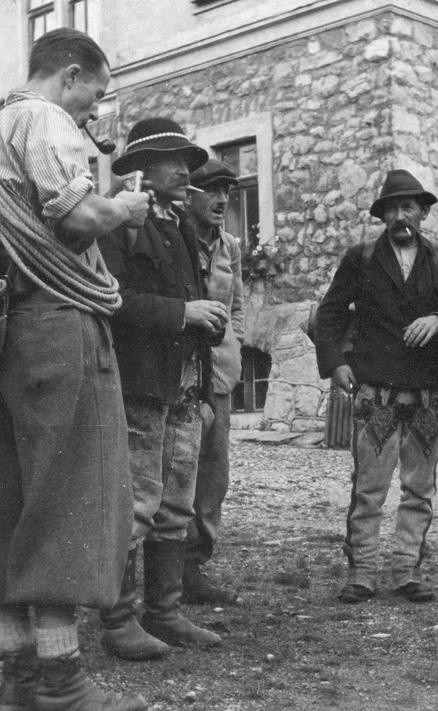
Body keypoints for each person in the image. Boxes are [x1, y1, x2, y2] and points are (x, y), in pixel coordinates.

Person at [0, 29, 152, 711]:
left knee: (14, 497)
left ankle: (16, 677)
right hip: (58, 321)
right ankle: (61, 679)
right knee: (72, 493)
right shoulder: (45, 121)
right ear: (71, 75)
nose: (97, 113)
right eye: (97, 95)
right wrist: (124, 208)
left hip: (4, 329)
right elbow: (78, 219)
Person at [315, 170, 438, 604]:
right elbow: (329, 314)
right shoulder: (362, 258)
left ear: (424, 212)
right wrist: (335, 364)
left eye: (409, 207)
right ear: (383, 215)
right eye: (393, 208)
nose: (401, 216)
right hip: (377, 393)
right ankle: (362, 572)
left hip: (429, 394)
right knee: (368, 488)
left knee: (419, 487)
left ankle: (407, 569)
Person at [97, 118, 228, 660]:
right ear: (141, 169)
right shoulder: (115, 220)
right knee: (136, 502)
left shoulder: (177, 223)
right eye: (174, 159)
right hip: (139, 385)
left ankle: (166, 613)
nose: (186, 170)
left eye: (187, 159)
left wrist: (205, 338)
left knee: (176, 501)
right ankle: (120, 622)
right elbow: (109, 299)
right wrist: (184, 312)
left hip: (182, 385)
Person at [183, 160, 245, 605]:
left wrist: (234, 341)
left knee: (212, 476)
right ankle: (164, 571)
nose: (222, 199)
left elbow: (236, 303)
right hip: (180, 371)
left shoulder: (230, 246)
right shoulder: (176, 238)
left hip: (218, 374)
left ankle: (193, 568)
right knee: (174, 472)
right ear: (190, 194)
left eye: (227, 191)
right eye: (212, 190)